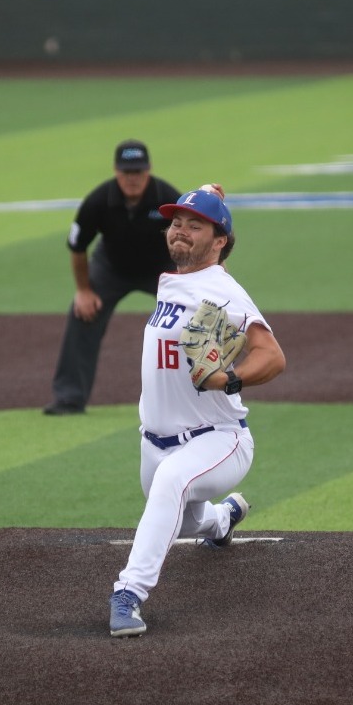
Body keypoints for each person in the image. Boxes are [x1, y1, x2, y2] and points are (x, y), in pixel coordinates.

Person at [108, 185, 286, 638]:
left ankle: (128, 593)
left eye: (195, 225)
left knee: (173, 483)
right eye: (176, 223)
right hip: (155, 444)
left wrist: (230, 378)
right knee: (185, 518)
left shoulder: (224, 293)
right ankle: (222, 519)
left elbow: (273, 356)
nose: (180, 231)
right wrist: (205, 196)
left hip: (219, 438)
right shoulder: (178, 280)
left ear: (220, 240)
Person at [43, 139, 182, 415]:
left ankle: (203, 391)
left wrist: (190, 277)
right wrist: (83, 290)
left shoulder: (167, 196)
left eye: (138, 172)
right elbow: (77, 246)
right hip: (112, 268)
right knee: (83, 313)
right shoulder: (98, 200)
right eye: (127, 172)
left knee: (196, 315)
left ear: (149, 170)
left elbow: (193, 235)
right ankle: (69, 398)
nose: (132, 179)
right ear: (116, 171)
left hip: (162, 269)